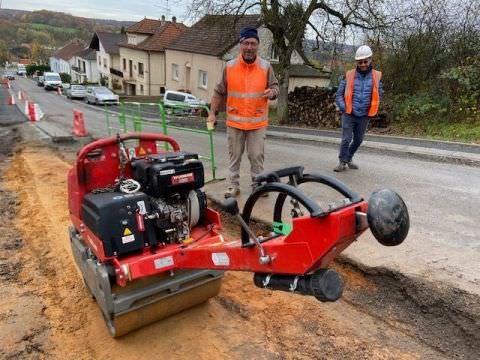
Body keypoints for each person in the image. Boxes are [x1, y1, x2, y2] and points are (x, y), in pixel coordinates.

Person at [208, 27, 279, 198]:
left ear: (258, 45)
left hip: (257, 123)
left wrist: (273, 92)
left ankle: (258, 185)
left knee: (256, 156)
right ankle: (233, 185)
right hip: (235, 122)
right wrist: (212, 113)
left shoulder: (266, 66)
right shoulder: (230, 66)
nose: (249, 47)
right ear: (240, 45)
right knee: (234, 156)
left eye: (253, 43)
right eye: (246, 43)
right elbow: (219, 92)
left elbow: (275, 86)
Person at [334, 45, 383, 172]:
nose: (362, 64)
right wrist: (344, 108)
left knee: (358, 140)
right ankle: (342, 162)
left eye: (365, 61)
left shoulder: (376, 77)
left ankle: (348, 158)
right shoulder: (349, 75)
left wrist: (373, 108)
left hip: (364, 115)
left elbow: (379, 93)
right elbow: (338, 95)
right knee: (346, 139)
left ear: (370, 60)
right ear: (357, 62)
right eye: (360, 62)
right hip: (349, 113)